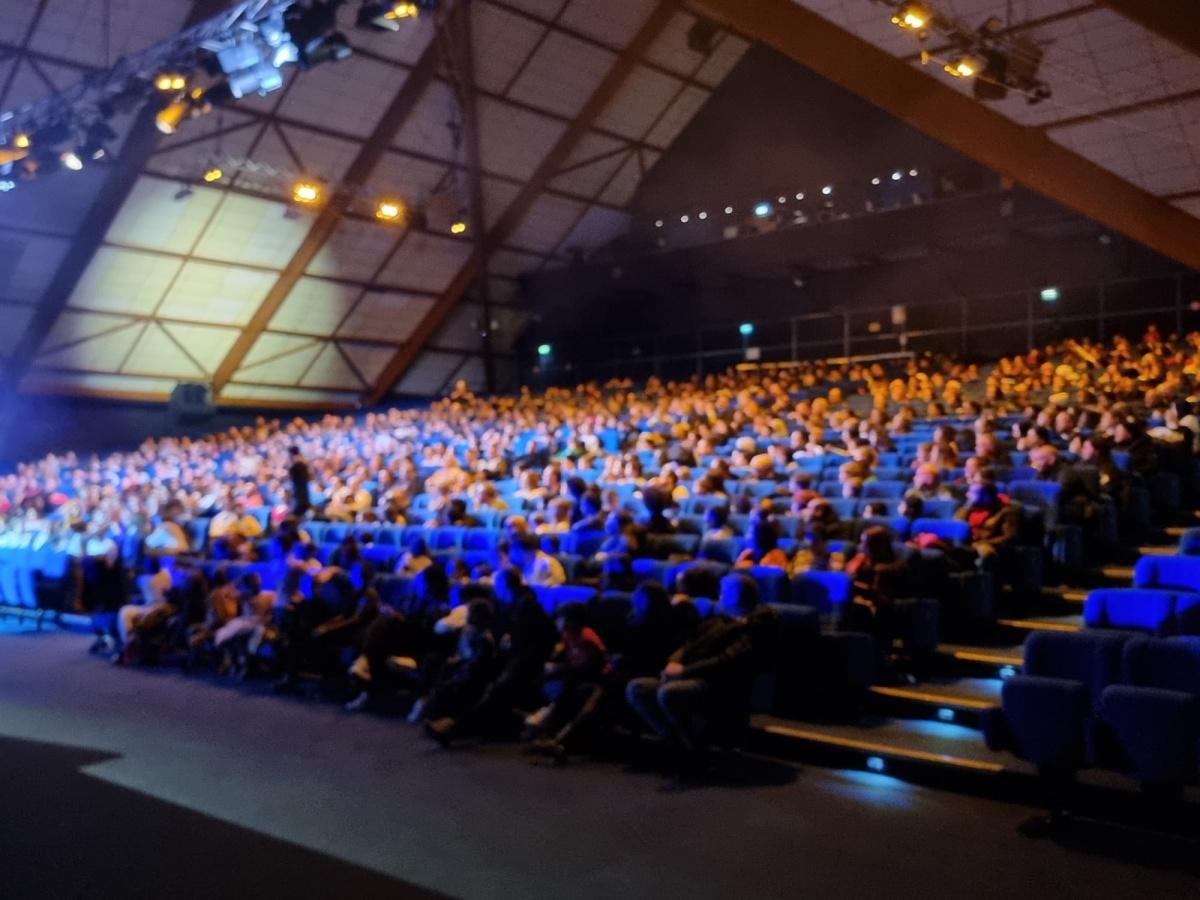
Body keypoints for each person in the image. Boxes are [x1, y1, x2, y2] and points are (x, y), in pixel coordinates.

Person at [625, 573, 773, 769]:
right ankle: (672, 739)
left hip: (717, 682)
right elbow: (690, 644)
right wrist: (674, 661)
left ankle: (693, 749)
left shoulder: (754, 627)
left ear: (737, 596)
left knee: (668, 693)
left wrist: (683, 671)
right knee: (637, 688)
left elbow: (725, 661)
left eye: (724, 592)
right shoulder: (717, 619)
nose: (719, 595)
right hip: (689, 674)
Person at [524, 601, 612, 762]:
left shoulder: (587, 639)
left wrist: (561, 669)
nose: (557, 622)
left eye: (560, 619)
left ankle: (557, 737)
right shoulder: (567, 636)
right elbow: (567, 659)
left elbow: (591, 667)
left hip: (596, 679)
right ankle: (544, 731)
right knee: (545, 681)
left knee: (569, 692)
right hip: (575, 675)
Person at [289, 445, 312, 517]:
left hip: (300, 494)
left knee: (298, 513)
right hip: (300, 492)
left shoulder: (298, 464)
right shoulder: (301, 463)